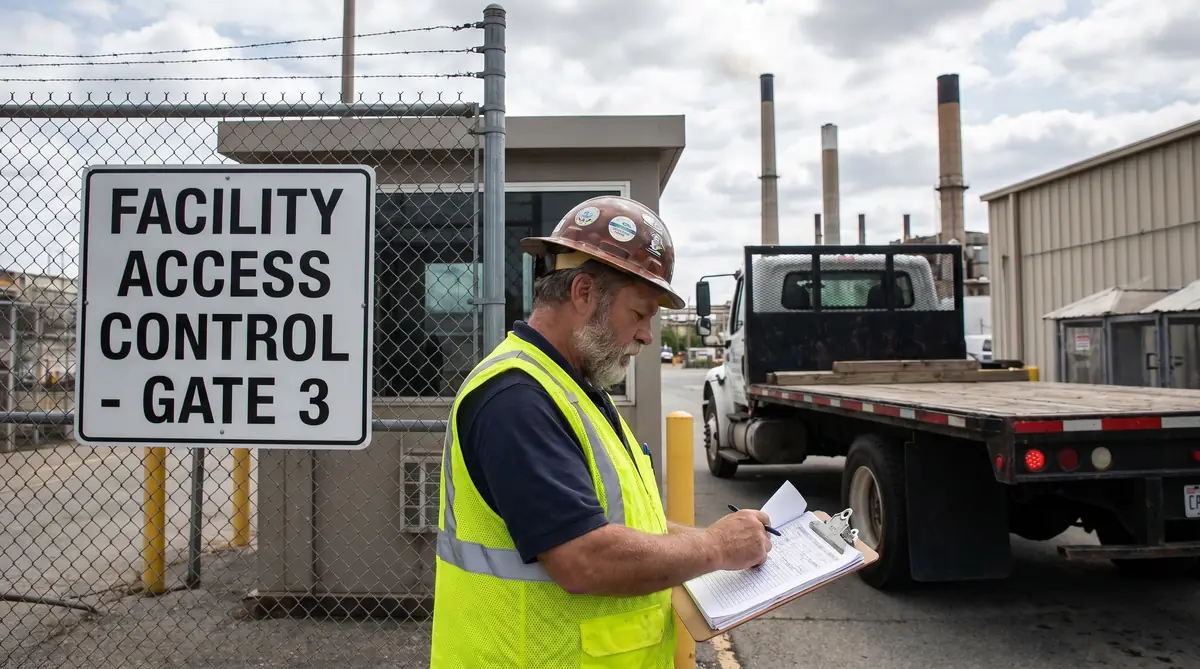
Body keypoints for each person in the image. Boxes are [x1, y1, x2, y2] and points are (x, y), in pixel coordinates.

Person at [428, 195, 775, 668]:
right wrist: (715, 548)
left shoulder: (574, 389)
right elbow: (583, 557)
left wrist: (713, 537)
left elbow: (621, 525)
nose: (648, 336)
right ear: (584, 293)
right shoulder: (517, 400)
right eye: (640, 313)